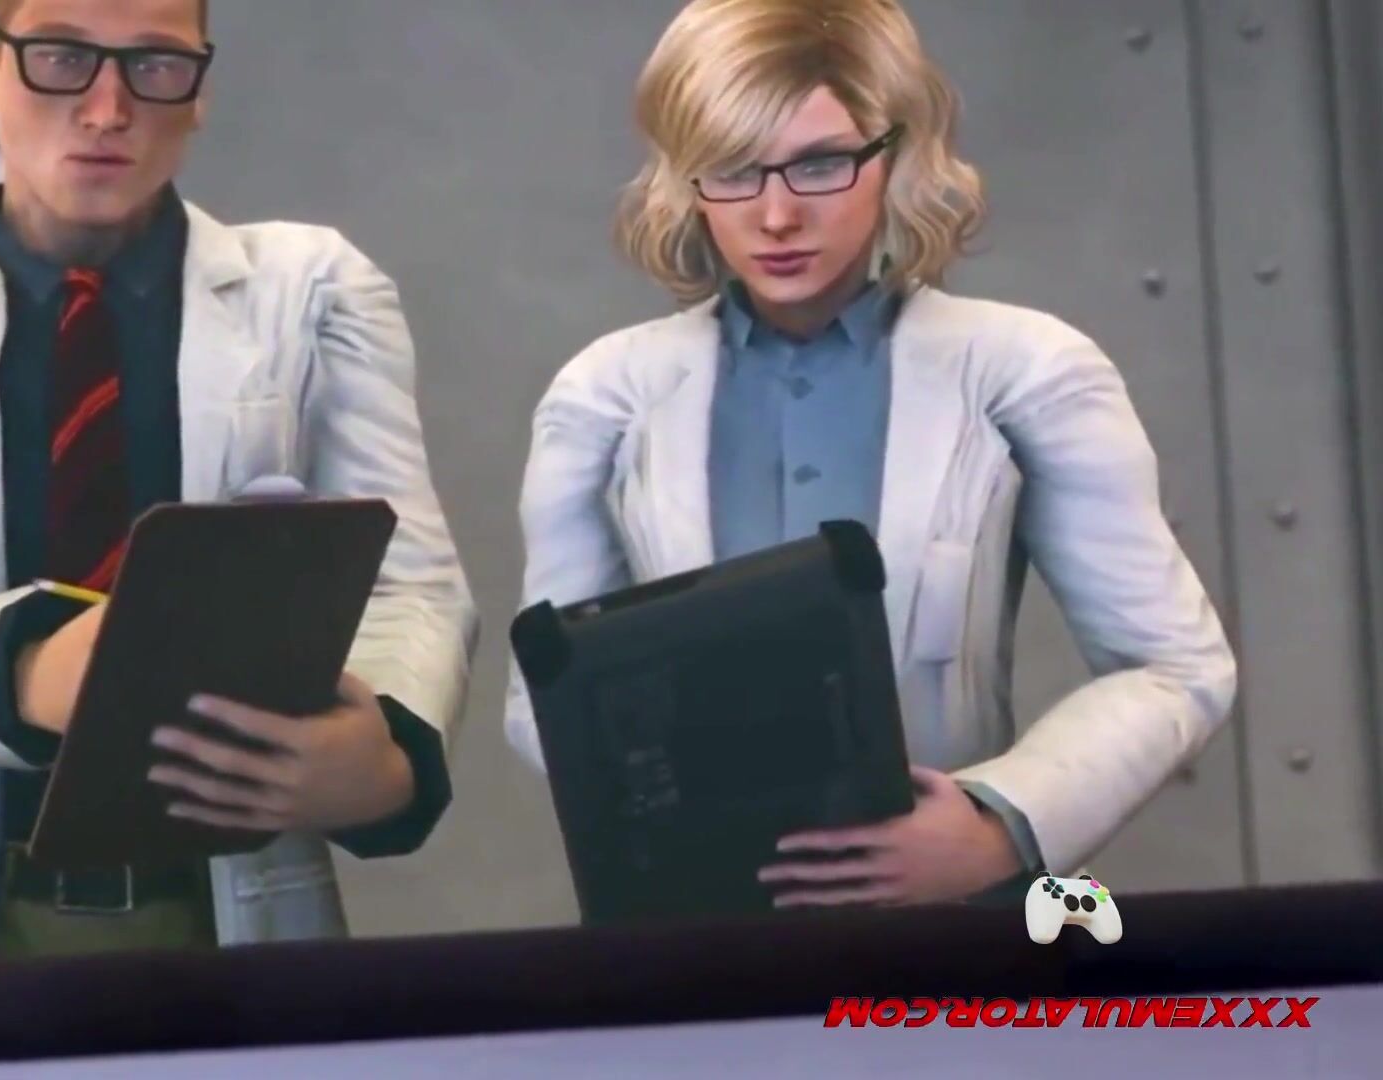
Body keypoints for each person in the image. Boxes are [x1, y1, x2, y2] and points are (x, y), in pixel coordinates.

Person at [0, 0, 476, 965]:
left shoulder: (312, 295)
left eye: (155, 66)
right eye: (61, 58)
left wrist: (388, 753)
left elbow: (411, 587)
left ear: (201, 89)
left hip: (244, 913)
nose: (107, 109)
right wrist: (23, 672)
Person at [505, 0, 1236, 907]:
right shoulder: (605, 396)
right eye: (733, 169)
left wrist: (997, 823)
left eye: (820, 163)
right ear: (686, 179)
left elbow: (1173, 667)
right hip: (694, 925)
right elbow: (544, 691)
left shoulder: (1024, 370)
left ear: (896, 155)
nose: (776, 215)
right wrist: (686, 798)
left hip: (955, 928)